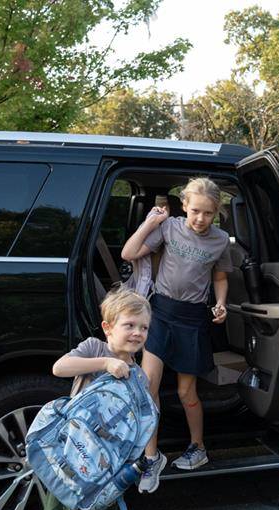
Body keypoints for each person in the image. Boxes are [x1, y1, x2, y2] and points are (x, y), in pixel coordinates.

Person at [41, 286, 153, 510]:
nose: (137, 333)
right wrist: (104, 363)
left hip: (108, 469)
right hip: (72, 460)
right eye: (129, 325)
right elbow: (60, 367)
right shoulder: (94, 349)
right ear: (108, 328)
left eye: (144, 328)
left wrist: (146, 460)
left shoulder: (140, 377)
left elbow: (146, 420)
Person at [121, 177, 232, 490]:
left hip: (193, 318)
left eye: (208, 213)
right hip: (160, 314)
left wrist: (221, 303)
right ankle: (152, 456)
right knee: (148, 386)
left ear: (216, 213)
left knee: (186, 392)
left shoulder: (221, 240)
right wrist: (153, 222)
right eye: (195, 211)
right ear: (184, 206)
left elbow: (220, 278)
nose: (200, 218)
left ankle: (198, 448)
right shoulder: (170, 229)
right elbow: (129, 253)